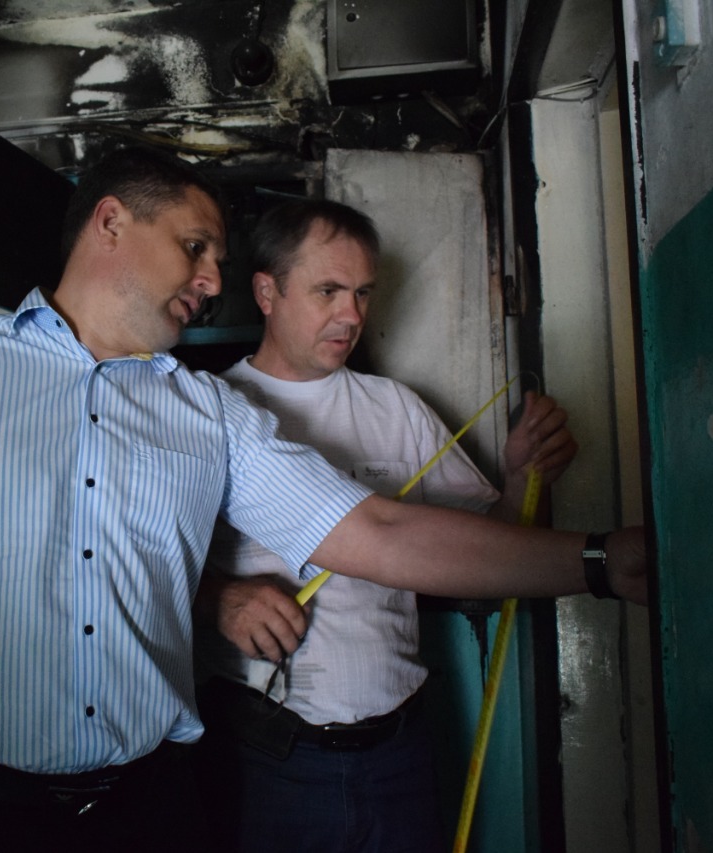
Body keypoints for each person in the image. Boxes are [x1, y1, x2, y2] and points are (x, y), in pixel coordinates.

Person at [0, 147, 647, 853]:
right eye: (196, 247)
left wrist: (600, 559)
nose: (216, 279)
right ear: (111, 221)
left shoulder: (208, 411)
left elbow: (377, 533)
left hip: (147, 815)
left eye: (221, 259)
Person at [192, 199, 585, 852]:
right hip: (263, 757)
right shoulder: (205, 413)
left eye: (363, 293)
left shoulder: (396, 409)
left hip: (399, 752)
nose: (352, 315)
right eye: (328, 291)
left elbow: (491, 561)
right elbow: (129, 568)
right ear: (266, 291)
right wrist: (216, 597)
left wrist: (523, 479)